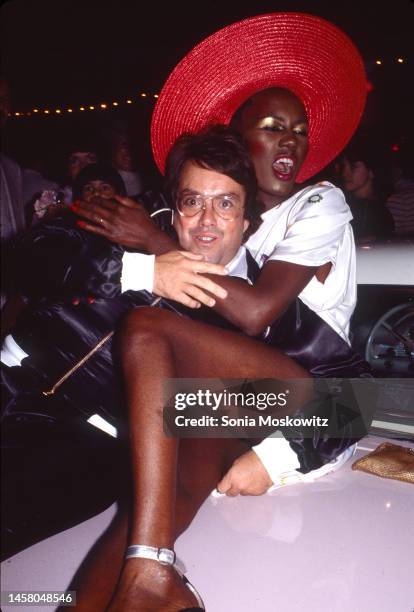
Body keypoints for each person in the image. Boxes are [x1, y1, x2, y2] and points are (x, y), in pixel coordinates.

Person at [67, 13, 371, 612]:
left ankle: (150, 576)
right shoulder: (233, 220)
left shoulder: (320, 202)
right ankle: (135, 587)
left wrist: (156, 250)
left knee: (149, 329)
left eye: (299, 129)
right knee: (155, 501)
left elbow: (258, 315)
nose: (292, 141)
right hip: (237, 396)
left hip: (318, 395)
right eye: (272, 127)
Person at [0, 127, 259, 560]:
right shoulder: (125, 230)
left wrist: (277, 457)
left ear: (247, 222)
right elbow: (26, 260)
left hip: (81, 444)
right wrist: (142, 271)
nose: (207, 220)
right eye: (193, 201)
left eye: (226, 203)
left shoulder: (256, 310)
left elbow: (347, 402)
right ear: (175, 210)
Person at [337, 132, 395, 241]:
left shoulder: (375, 211)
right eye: (344, 166)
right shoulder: (346, 204)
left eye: (353, 167)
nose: (345, 172)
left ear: (371, 171)